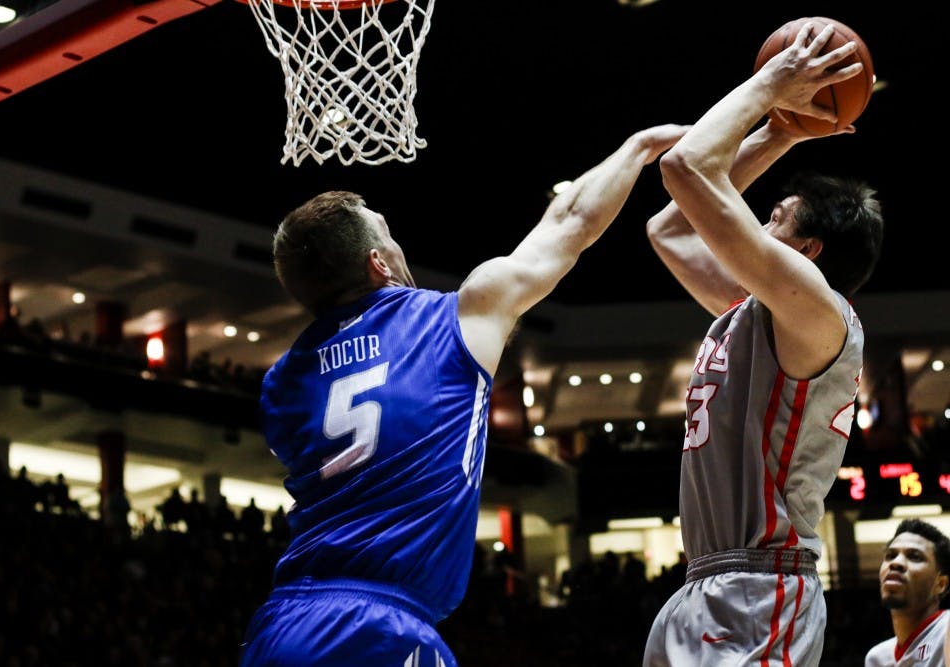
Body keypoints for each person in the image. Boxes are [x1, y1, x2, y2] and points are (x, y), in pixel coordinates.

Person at [237, 121, 689, 667]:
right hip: (378, 624)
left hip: (281, 623)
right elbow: (570, 220)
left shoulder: (280, 386)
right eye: (389, 235)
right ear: (378, 263)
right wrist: (640, 146)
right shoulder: (449, 318)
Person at [641, 22, 884, 666]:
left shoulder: (818, 311)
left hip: (761, 585)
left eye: (774, 218)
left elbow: (684, 167)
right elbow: (671, 228)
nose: (757, 216)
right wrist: (779, 131)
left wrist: (773, 84)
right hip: (706, 579)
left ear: (808, 253)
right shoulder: (756, 313)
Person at [865, 519, 950, 667]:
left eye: (914, 557)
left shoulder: (946, 629)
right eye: (890, 555)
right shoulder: (876, 658)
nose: (896, 562)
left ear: (941, 584)